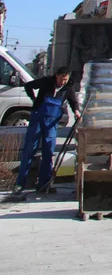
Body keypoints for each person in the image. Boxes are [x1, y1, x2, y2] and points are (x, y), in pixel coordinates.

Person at [14, 66, 80, 194]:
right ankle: (20, 184)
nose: (63, 82)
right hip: (37, 119)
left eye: (65, 79)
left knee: (48, 152)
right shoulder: (45, 82)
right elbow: (29, 86)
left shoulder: (68, 87)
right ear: (56, 76)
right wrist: (34, 100)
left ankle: (44, 185)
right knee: (29, 151)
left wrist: (77, 112)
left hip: (51, 123)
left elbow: (73, 102)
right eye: (61, 79)